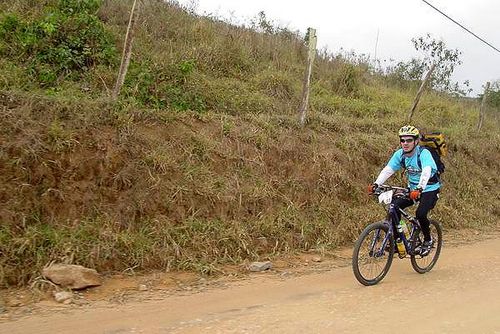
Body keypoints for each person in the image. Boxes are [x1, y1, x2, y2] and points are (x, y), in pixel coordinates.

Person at [369, 125, 441, 256]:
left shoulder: (423, 154)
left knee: (420, 214)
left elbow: (426, 171)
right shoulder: (400, 154)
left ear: (416, 141)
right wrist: (376, 184)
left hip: (429, 188)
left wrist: (420, 188)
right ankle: (398, 242)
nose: (405, 143)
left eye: (409, 140)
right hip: (412, 189)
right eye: (402, 140)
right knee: (394, 206)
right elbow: (388, 169)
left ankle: (428, 240)